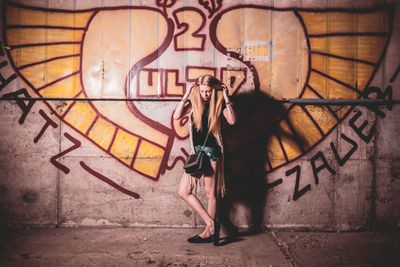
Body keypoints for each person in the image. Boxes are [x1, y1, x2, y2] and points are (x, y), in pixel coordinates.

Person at [173, 74, 237, 245]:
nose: (205, 94)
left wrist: (226, 97)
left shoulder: (219, 103)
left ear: (214, 90)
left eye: (208, 91)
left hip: (213, 154)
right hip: (197, 155)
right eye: (202, 91)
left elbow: (232, 120)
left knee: (211, 194)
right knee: (183, 191)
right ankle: (211, 224)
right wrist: (187, 95)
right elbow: (176, 116)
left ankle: (208, 233)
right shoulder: (194, 104)